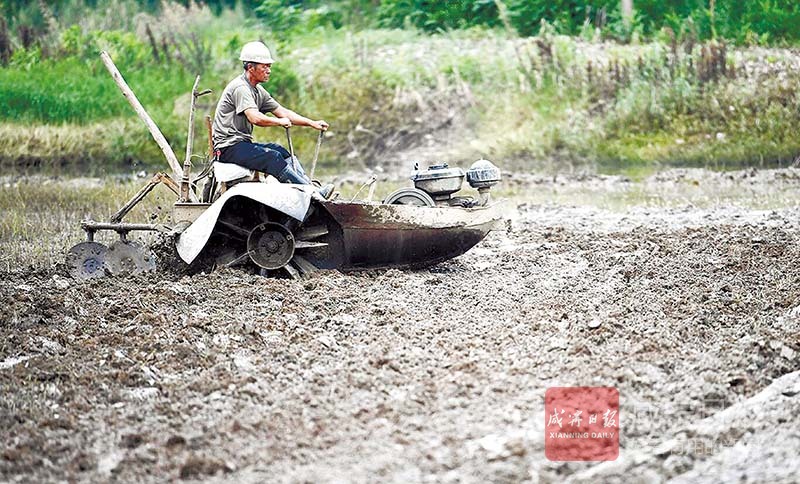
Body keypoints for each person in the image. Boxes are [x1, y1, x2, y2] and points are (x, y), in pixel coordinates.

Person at [212, 41, 329, 187]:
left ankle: (308, 186)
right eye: (264, 66)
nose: (269, 70)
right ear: (250, 67)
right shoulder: (240, 88)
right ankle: (310, 192)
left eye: (269, 66)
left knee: (281, 151)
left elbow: (283, 112)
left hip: (241, 145)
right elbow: (254, 118)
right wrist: (279, 122)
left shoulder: (258, 90)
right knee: (272, 157)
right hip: (227, 148)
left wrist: (312, 123)